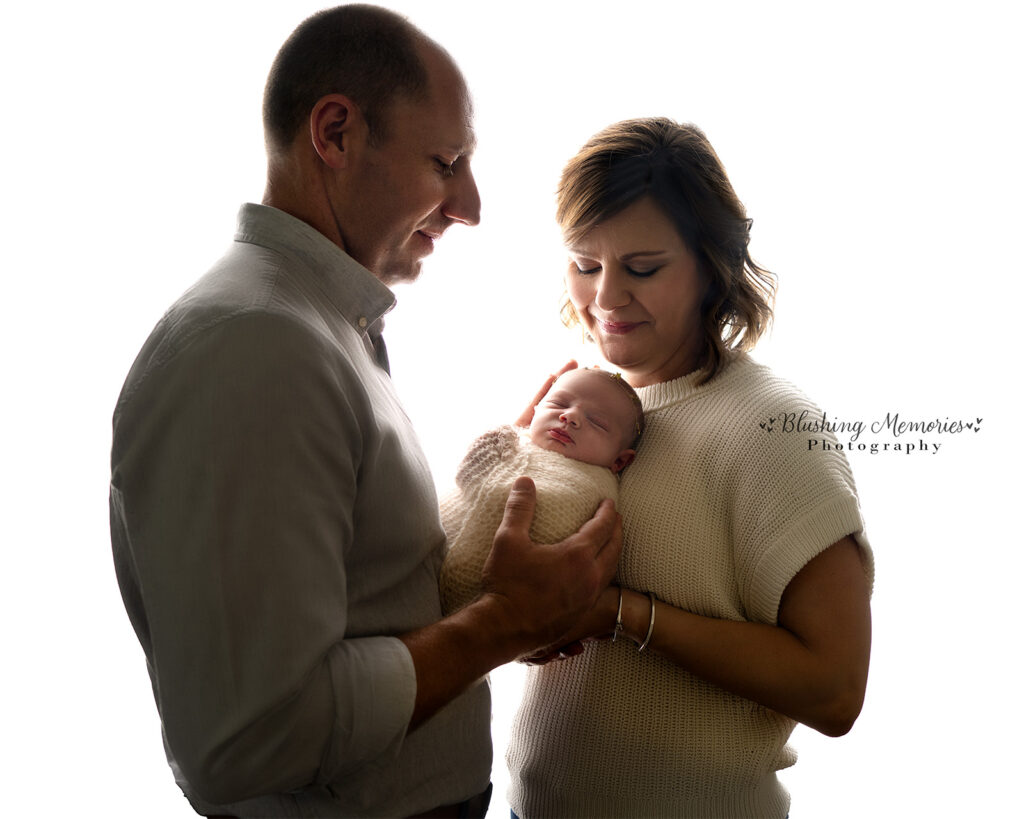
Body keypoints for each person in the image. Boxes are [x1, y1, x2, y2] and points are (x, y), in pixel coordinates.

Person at [107, 6, 622, 818]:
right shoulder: (255, 346)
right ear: (337, 134)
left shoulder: (317, 326)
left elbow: (371, 591)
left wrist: (518, 488)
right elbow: (249, 737)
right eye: (446, 161)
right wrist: (503, 625)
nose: (471, 205)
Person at [506, 118, 875, 819]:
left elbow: (834, 689)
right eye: (585, 264)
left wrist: (621, 614)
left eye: (642, 268)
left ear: (712, 266)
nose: (606, 298)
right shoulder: (587, 409)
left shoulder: (773, 425)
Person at [440, 367, 644, 615]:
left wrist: (499, 441)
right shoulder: (522, 441)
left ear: (619, 462)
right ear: (536, 408)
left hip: (487, 596)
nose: (570, 417)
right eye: (557, 404)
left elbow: (484, 482)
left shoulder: (595, 486)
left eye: (597, 422)